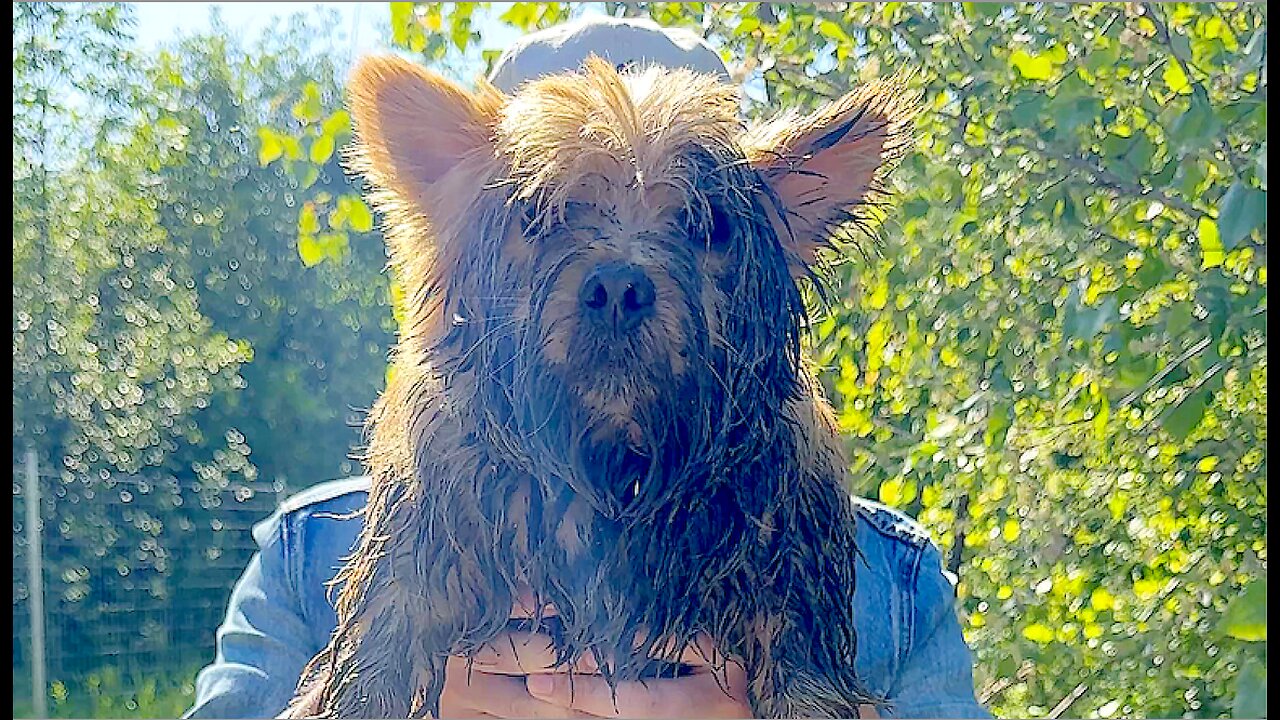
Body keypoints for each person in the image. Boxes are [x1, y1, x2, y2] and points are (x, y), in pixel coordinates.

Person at [184, 16, 989, 720]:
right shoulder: (307, 558)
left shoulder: (894, 579)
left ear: (775, 244)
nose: (618, 280)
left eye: (696, 226)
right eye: (547, 215)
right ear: (456, 233)